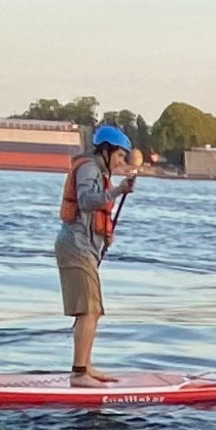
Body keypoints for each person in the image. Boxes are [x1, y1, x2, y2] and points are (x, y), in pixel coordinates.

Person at [56, 122, 138, 381]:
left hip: (84, 248)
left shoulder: (98, 171)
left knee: (92, 310)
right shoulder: (90, 168)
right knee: (89, 310)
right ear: (106, 150)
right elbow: (85, 201)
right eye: (120, 155)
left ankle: (86, 366)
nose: (121, 161)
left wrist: (106, 234)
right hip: (76, 248)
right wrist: (118, 190)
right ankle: (79, 373)